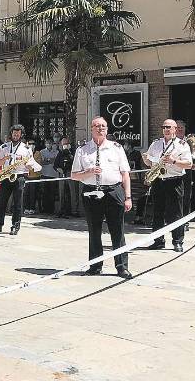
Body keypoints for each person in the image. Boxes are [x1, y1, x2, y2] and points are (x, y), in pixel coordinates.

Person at [71, 117, 133, 278]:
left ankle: (121, 267)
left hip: (113, 192)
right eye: (97, 126)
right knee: (94, 230)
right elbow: (74, 175)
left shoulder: (116, 148)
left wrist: (128, 197)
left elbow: (125, 174)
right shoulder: (82, 150)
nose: (101, 129)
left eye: (104, 126)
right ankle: (95, 266)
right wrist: (88, 172)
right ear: (91, 128)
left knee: (117, 231)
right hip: (91, 192)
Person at [143, 119, 193, 252]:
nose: (165, 129)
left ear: (175, 129)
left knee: (176, 213)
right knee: (157, 212)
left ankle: (177, 241)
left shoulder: (182, 145)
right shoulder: (156, 144)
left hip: (175, 180)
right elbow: (149, 162)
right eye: (164, 127)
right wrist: (146, 159)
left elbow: (189, 164)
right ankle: (158, 241)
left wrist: (174, 161)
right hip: (159, 181)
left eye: (168, 127)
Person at [0, 124, 41, 235]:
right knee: (2, 202)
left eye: (18, 134)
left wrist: (29, 165)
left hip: (19, 176)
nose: (16, 135)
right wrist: (5, 158)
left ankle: (15, 226)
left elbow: (30, 165)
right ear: (11, 134)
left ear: (21, 135)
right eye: (14, 133)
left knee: (17, 203)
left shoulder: (26, 148)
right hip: (7, 175)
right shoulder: (4, 147)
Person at [175, 120, 195, 231]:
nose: (180, 129)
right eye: (177, 127)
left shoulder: (190, 140)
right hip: (172, 171)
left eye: (182, 127)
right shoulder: (169, 141)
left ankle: (185, 221)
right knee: (174, 198)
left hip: (186, 171)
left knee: (186, 197)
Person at [55, 137, 80, 218]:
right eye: (63, 144)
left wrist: (69, 153)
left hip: (71, 174)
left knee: (73, 193)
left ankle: (74, 211)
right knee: (61, 193)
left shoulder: (73, 152)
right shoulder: (60, 153)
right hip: (62, 174)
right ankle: (62, 210)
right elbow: (55, 165)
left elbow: (76, 162)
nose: (65, 145)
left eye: (66, 144)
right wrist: (58, 169)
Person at [39, 138, 59, 214]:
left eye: (50, 143)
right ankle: (44, 209)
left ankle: (51, 209)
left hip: (53, 174)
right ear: (45, 144)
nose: (49, 144)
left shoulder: (56, 152)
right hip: (44, 174)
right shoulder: (42, 152)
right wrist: (50, 160)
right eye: (47, 143)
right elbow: (42, 162)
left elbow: (55, 161)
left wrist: (48, 160)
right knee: (44, 193)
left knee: (52, 193)